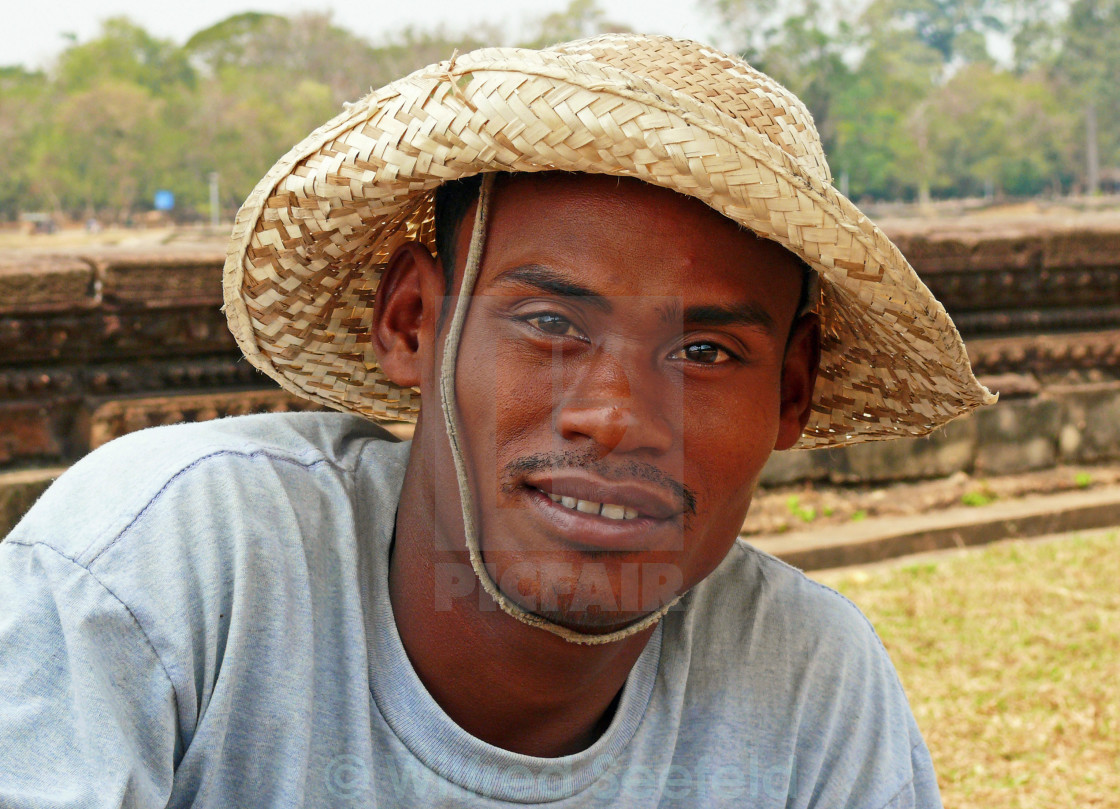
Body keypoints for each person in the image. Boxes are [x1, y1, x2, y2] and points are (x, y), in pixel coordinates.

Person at [0, 34, 994, 807]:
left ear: (790, 391)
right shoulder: (171, 564)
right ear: (413, 321)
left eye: (704, 352)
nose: (614, 416)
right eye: (550, 322)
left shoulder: (806, 681)